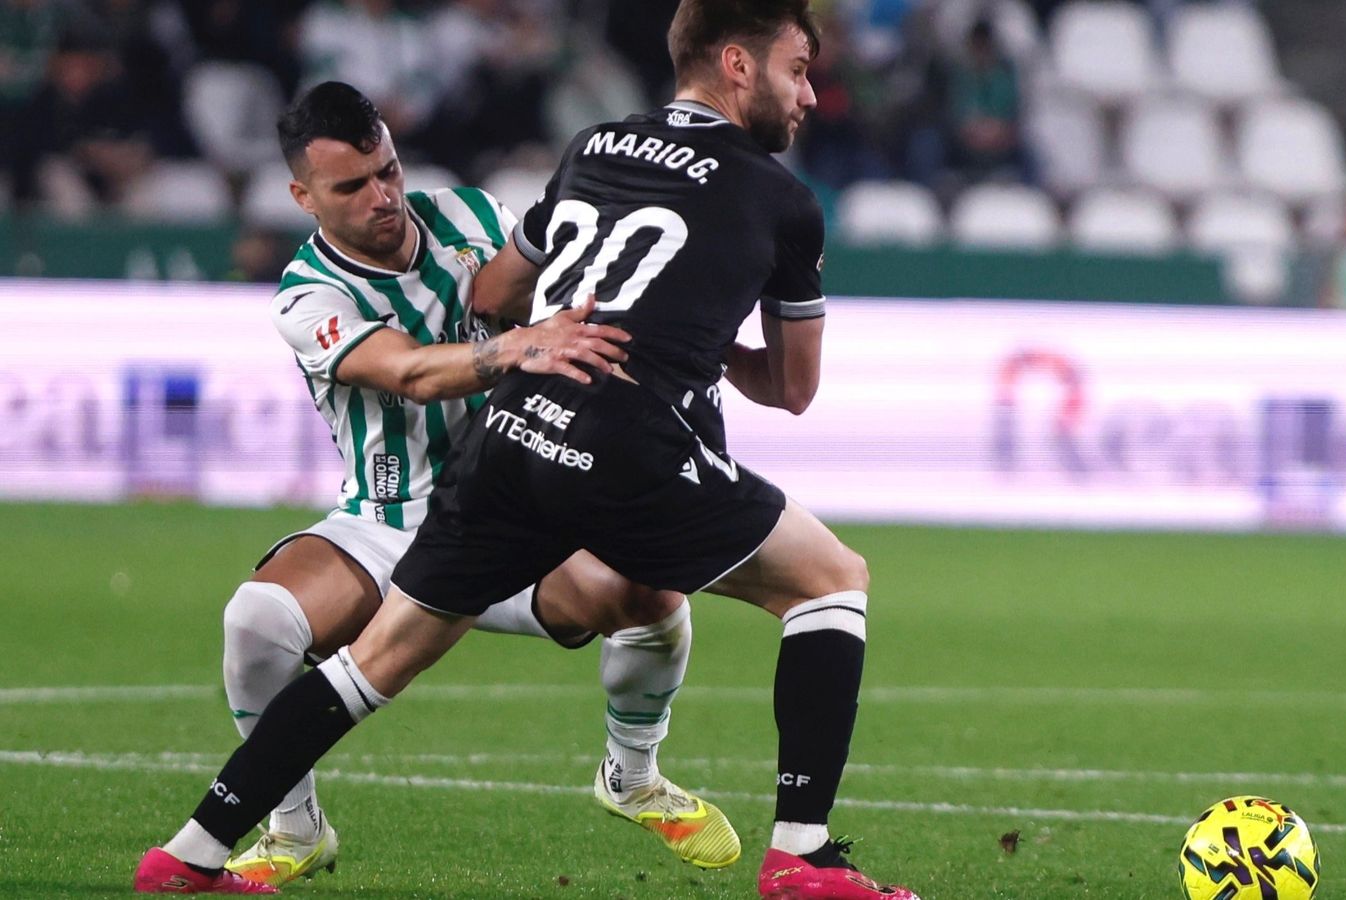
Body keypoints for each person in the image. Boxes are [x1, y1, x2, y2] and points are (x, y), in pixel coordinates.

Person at [134, 3, 919, 898]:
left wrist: (553, 331)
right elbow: (793, 389)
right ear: (738, 65)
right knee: (831, 580)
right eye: (797, 70)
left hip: (504, 450)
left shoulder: (594, 146)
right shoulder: (785, 200)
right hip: (564, 455)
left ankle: (187, 857)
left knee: (377, 662)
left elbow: (502, 283)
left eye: (387, 171)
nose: (809, 94)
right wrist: (691, 343)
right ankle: (803, 859)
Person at [190, 81, 740, 892]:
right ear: (301, 197)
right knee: (256, 620)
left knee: (651, 595)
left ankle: (632, 775)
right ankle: (293, 827)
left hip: (516, 510)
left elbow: (566, 292)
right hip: (387, 521)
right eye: (353, 186)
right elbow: (408, 373)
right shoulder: (306, 296)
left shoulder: (475, 218)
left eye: (389, 171)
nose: (383, 197)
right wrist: (514, 348)